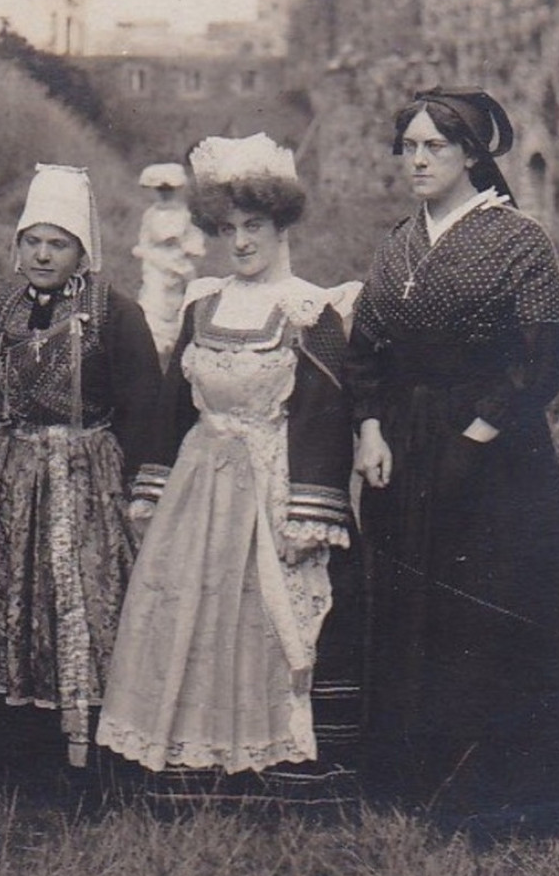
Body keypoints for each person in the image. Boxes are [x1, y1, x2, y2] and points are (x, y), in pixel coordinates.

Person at [348, 87, 559, 841]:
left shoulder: (515, 240)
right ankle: (410, 777)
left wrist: (474, 438)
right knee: (406, 609)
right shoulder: (398, 242)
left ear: (470, 154)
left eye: (435, 145)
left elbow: (540, 362)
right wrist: (368, 429)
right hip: (402, 445)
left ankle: (497, 789)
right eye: (409, 146)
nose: (419, 159)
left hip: (495, 459)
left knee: (479, 613)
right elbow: (366, 349)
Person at [97, 134, 362, 806]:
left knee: (262, 615)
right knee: (178, 603)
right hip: (196, 484)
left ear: (280, 227)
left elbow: (322, 415)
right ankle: (181, 754)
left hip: (270, 485)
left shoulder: (311, 310)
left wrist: (307, 509)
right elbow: (168, 406)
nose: (240, 242)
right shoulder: (201, 303)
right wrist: (152, 485)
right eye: (228, 229)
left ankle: (267, 754)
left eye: (254, 227)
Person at [0, 164, 162, 788]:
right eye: (33, 242)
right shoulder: (0, 313)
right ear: (17, 246)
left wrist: (143, 490)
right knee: (9, 600)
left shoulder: (115, 313)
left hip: (88, 478)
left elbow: (145, 408)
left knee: (87, 602)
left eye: (59, 243)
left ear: (81, 251)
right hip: (12, 479)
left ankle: (94, 761)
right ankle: (15, 755)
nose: (44, 255)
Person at [132, 163, 207, 368]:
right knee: (154, 302)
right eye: (161, 191)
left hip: (178, 263)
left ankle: (177, 347)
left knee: (179, 304)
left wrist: (186, 249)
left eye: (169, 191)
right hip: (156, 264)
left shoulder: (184, 215)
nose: (165, 195)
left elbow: (194, 239)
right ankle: (153, 347)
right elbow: (144, 241)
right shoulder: (150, 214)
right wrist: (149, 253)